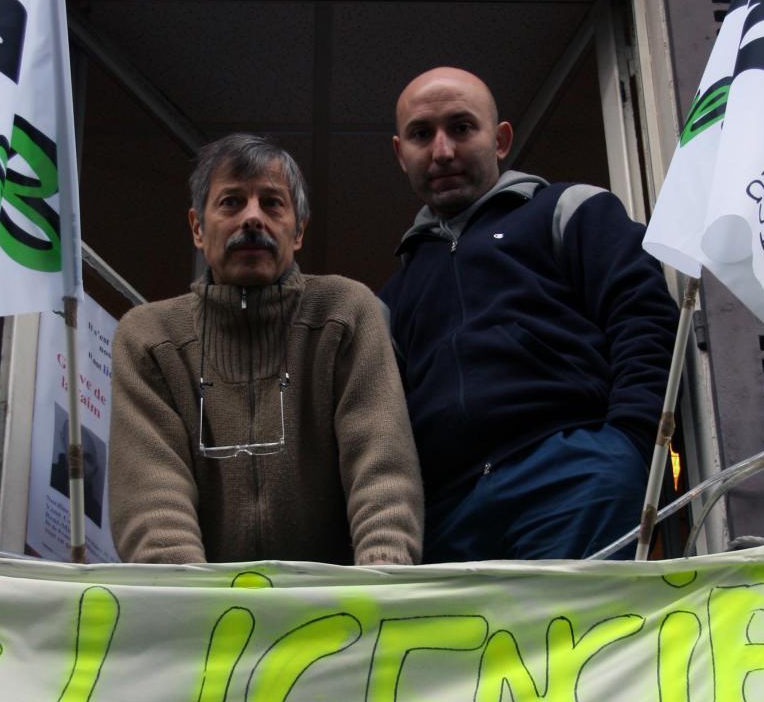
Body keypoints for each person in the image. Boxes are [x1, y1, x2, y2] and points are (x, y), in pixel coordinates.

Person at [382, 67, 678, 561]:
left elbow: (643, 317)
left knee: (586, 640)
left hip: (575, 477)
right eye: (421, 134)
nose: (442, 151)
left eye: (461, 127)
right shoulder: (393, 297)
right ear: (400, 153)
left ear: (500, 140)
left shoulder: (570, 210)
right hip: (449, 520)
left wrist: (629, 443)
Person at [109, 133, 422, 566]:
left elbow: (381, 470)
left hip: (340, 614)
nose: (252, 218)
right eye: (231, 202)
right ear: (198, 228)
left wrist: (380, 587)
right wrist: (187, 607)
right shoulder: (148, 336)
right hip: (204, 620)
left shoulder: (346, 312)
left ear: (299, 231)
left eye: (272, 203)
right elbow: (152, 499)